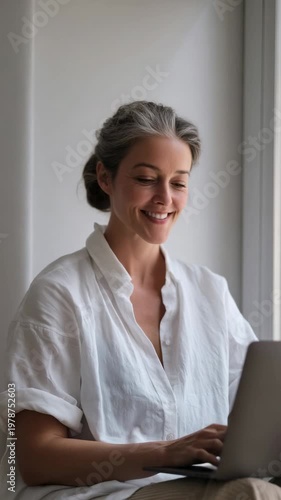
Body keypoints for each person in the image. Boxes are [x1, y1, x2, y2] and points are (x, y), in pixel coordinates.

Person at [0, 100, 280, 500]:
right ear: (105, 177)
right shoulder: (59, 294)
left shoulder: (210, 293)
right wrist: (165, 453)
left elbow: (257, 419)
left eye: (179, 182)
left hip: (206, 488)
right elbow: (29, 458)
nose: (165, 198)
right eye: (147, 178)